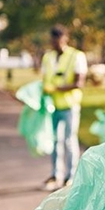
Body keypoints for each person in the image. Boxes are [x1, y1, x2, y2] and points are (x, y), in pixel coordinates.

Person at [40, 24, 88, 191]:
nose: (55, 44)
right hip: (52, 106)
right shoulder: (48, 57)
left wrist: (57, 88)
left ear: (65, 39)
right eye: (53, 41)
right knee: (54, 141)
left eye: (58, 40)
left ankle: (71, 175)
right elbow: (44, 79)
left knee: (69, 140)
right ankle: (55, 174)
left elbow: (79, 83)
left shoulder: (76, 56)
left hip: (69, 106)